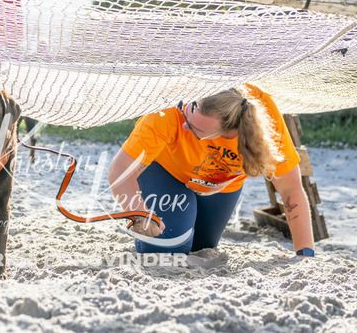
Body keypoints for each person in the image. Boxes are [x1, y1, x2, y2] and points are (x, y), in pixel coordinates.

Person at [108, 84, 315, 257]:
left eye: (196, 130)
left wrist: (305, 254)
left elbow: (290, 189)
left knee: (202, 247)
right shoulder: (168, 110)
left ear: (228, 133)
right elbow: (120, 171)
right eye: (189, 109)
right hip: (166, 171)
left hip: (219, 185)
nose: (185, 126)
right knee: (168, 248)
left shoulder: (262, 115)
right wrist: (140, 214)